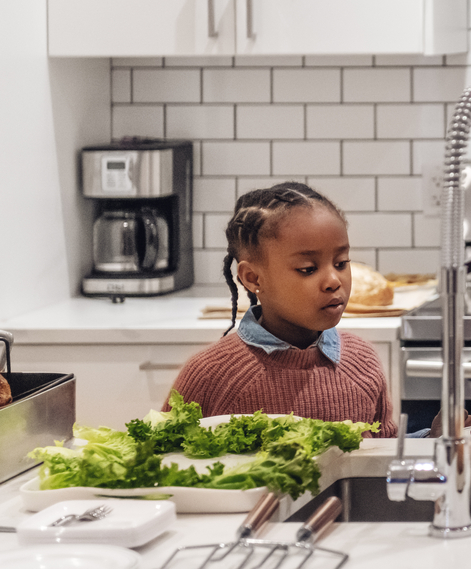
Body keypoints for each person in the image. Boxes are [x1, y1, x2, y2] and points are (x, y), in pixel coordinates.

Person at [167, 182, 401, 437]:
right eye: (308, 269)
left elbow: (382, 459)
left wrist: (430, 436)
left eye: (341, 263)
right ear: (254, 278)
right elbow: (167, 460)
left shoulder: (362, 362)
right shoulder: (211, 374)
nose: (334, 280)